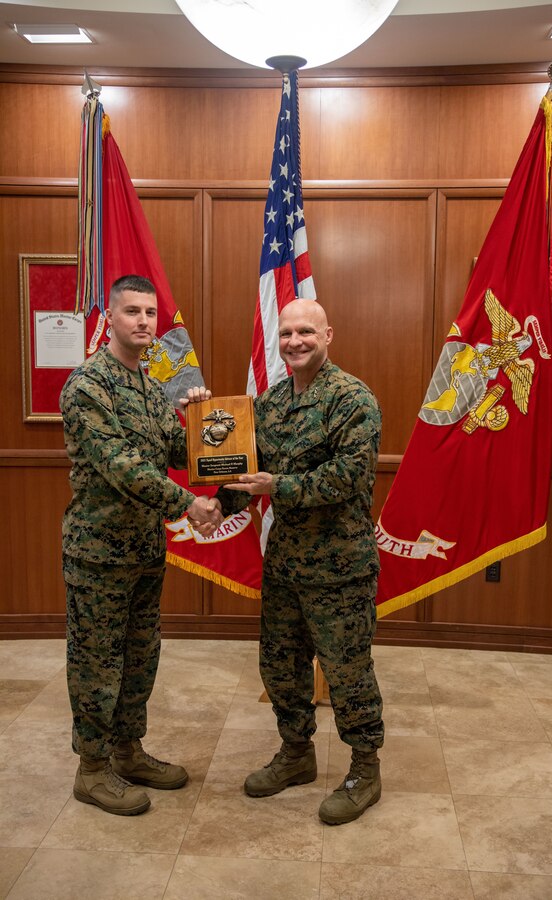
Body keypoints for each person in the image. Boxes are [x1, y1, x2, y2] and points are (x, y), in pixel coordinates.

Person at [215, 298, 384, 825]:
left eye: (305, 331)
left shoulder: (353, 399)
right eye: (286, 333)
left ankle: (364, 770)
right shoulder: (267, 404)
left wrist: (278, 486)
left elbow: (348, 477)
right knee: (281, 667)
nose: (295, 341)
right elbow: (247, 471)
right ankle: (296, 754)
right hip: (286, 564)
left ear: (327, 334)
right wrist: (215, 504)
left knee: (347, 672)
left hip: (340, 568)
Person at [60, 274, 222, 816]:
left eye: (151, 313)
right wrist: (187, 506)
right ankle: (91, 768)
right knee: (95, 661)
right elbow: (122, 467)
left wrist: (200, 419)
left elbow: (179, 452)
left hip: (145, 550)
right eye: (132, 311)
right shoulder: (87, 387)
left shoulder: (153, 388)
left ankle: (127, 751)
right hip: (99, 554)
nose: (144, 322)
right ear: (110, 317)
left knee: (140, 656)